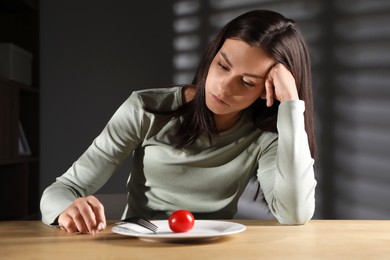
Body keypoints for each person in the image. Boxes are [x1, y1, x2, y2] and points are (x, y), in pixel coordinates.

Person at [40, 9, 317, 234]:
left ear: (266, 90)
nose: (222, 87)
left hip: (215, 250)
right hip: (140, 246)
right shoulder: (146, 109)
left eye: (246, 82)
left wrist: (292, 105)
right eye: (222, 65)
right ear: (212, 55)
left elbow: (293, 214)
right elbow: (61, 190)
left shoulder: (265, 135)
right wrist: (67, 208)